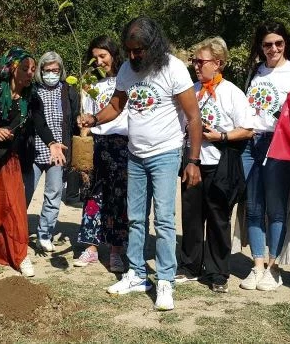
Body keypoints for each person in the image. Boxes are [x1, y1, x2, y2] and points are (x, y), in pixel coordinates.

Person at [78, 16, 202, 312]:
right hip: (135, 153)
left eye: (139, 51)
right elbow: (116, 106)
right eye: (129, 50)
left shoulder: (172, 68)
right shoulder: (126, 70)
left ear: (154, 45)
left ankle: (165, 280)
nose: (133, 56)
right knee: (134, 217)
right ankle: (136, 274)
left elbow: (194, 117)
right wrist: (94, 120)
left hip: (166, 153)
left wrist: (193, 160)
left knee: (163, 220)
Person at [175, 37, 254, 293]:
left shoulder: (232, 93)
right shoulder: (191, 90)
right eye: (194, 61)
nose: (196, 66)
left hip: (220, 165)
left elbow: (248, 130)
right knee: (191, 215)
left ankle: (218, 272)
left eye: (201, 61)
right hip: (192, 161)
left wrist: (219, 136)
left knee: (219, 218)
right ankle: (189, 265)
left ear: (218, 63)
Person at [239, 22, 290, 292]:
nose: (273, 49)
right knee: (253, 206)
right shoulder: (254, 72)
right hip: (250, 141)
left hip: (279, 145)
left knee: (277, 207)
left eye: (278, 43)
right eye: (268, 44)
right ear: (261, 46)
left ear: (286, 44)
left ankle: (274, 267)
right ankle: (257, 265)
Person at [0, 47, 66, 278]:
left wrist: (52, 143)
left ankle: (19, 254)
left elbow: (39, 123)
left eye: (33, 69)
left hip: (12, 160)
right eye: (25, 68)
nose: (31, 73)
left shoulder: (31, 96)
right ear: (12, 68)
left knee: (15, 208)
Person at [73, 36, 129, 271]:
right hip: (97, 143)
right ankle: (91, 248)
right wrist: (83, 146)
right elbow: (86, 118)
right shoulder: (89, 83)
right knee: (92, 194)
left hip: (122, 143)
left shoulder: (126, 79)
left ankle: (116, 251)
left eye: (103, 56)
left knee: (118, 198)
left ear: (114, 55)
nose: (99, 61)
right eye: (94, 57)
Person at [27, 51, 79, 253]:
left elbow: (73, 119)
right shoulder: (32, 90)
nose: (51, 74)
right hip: (34, 151)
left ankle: (44, 234)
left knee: (54, 194)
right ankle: (15, 234)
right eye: (47, 70)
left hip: (59, 151)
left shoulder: (68, 91)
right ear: (41, 71)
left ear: (61, 70)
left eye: (55, 70)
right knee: (25, 194)